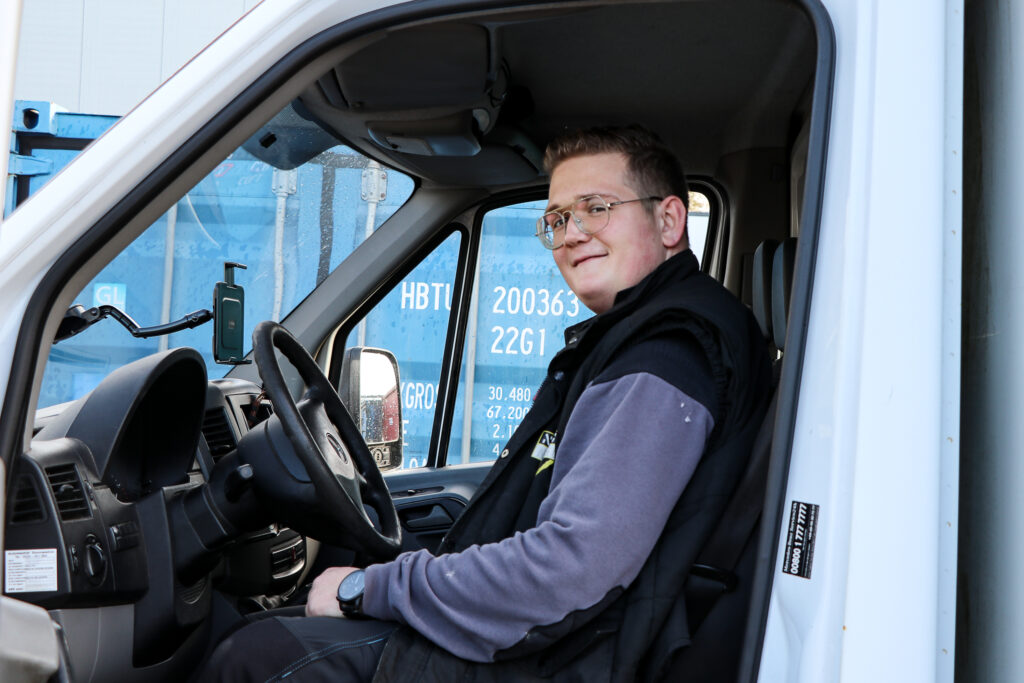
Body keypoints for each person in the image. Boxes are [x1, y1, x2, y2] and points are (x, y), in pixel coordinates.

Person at [199, 125, 771, 682]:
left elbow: (569, 570)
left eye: (596, 208)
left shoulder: (665, 355)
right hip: (558, 642)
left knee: (254, 656)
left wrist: (364, 588)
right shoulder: (641, 337)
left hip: (565, 657)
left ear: (668, 220)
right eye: (557, 219)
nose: (571, 234)